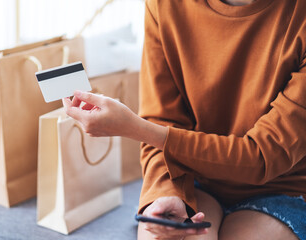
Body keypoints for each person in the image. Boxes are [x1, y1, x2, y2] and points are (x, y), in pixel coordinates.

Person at [63, 0, 306, 239]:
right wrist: (166, 190)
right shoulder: (164, 5)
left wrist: (135, 128)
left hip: (280, 188)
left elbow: (261, 157)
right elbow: (163, 117)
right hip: (192, 178)